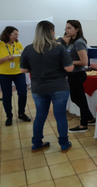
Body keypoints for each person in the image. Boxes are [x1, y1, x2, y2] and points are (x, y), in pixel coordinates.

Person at [20, 21, 74, 153]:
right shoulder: (59, 48)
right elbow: (69, 68)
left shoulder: (28, 49)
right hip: (59, 87)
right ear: (51, 32)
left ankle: (37, 143)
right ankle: (64, 143)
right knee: (60, 116)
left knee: (40, 115)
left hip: (38, 88)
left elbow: (23, 70)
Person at [0, 26, 31, 126]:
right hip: (3, 74)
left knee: (23, 93)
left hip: (18, 73)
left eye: (17, 34)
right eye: (15, 34)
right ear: (7, 34)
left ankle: (21, 113)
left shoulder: (18, 44)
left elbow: (23, 56)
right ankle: (9, 116)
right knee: (7, 95)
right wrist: (4, 59)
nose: (17, 36)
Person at [65, 20, 95, 132]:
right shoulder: (73, 42)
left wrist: (68, 62)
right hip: (73, 74)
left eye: (69, 28)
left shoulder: (79, 42)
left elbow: (84, 62)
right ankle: (90, 118)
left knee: (79, 99)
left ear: (77, 29)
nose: (66, 30)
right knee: (77, 98)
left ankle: (83, 124)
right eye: (66, 28)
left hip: (77, 74)